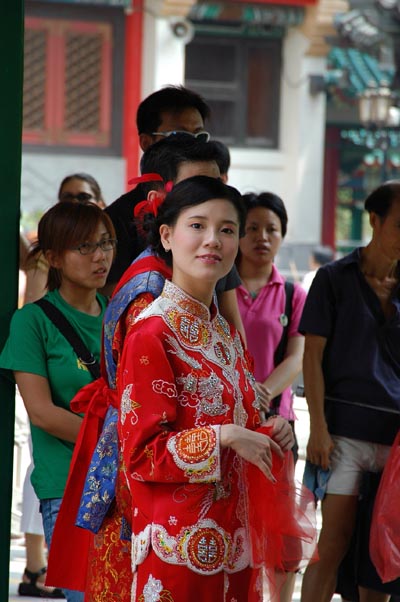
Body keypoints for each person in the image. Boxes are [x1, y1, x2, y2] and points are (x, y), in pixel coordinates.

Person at [117, 175, 303, 600]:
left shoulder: (225, 333)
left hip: (237, 543)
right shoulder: (152, 333)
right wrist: (226, 436)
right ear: (166, 235)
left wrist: (266, 428)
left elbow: (240, 421)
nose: (212, 241)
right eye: (197, 225)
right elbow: (143, 454)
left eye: (226, 229)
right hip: (178, 548)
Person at [1, 201, 116, 602]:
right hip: (69, 489)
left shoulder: (120, 314)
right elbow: (43, 413)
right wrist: (123, 438)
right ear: (53, 257)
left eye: (106, 243)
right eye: (84, 247)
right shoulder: (31, 321)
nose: (100, 256)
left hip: (127, 486)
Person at [299, 181, 400, 602]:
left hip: (395, 441)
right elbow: (312, 358)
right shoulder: (333, 279)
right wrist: (318, 428)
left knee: (386, 556)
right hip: (344, 434)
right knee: (334, 542)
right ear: (374, 220)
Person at [235, 192, 307, 602]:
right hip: (229, 424)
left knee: (280, 533)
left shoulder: (293, 293)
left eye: (272, 229)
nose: (263, 237)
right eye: (252, 228)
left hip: (276, 428)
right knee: (235, 524)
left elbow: (296, 357)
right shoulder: (218, 286)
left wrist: (260, 394)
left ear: (282, 236)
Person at [23, 173, 106, 305]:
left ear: (101, 205)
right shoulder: (43, 256)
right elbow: (34, 302)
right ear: (54, 259)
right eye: (68, 197)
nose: (75, 202)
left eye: (83, 197)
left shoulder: (111, 310)